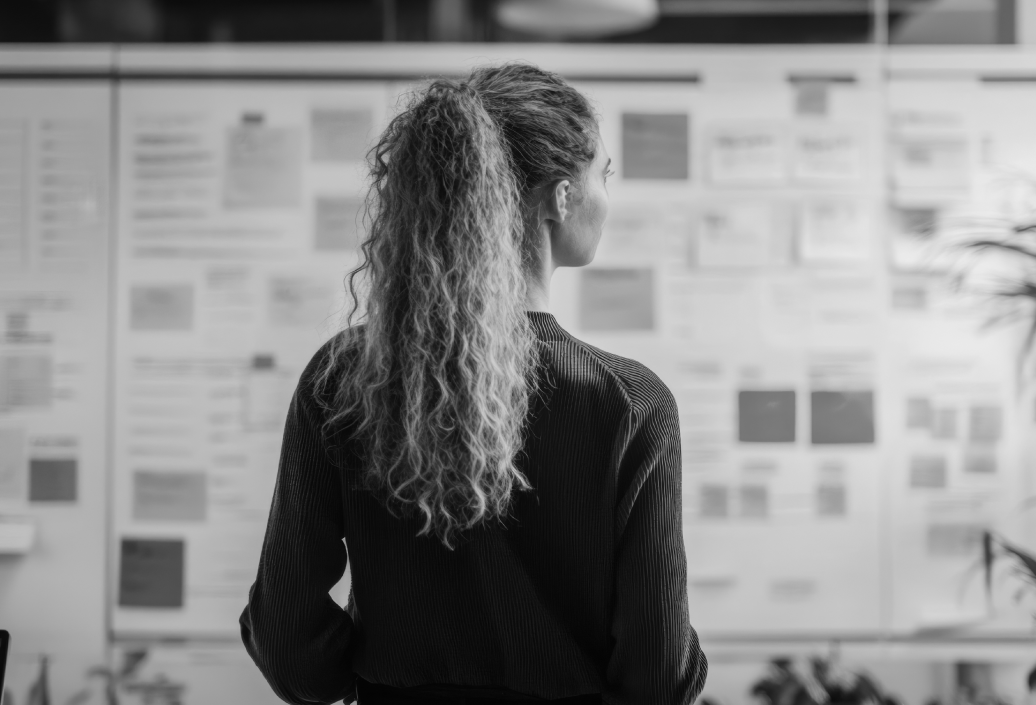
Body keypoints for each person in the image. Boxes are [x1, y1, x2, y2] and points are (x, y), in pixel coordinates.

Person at [239, 62, 708, 705]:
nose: (607, 197)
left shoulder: (343, 377)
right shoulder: (629, 403)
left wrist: (355, 675)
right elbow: (657, 678)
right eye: (604, 173)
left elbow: (285, 635)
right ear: (561, 195)